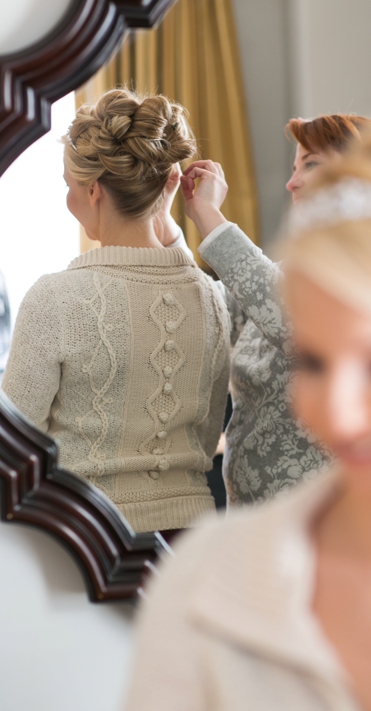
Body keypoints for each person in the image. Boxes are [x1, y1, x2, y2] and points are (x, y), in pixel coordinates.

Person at [116, 120, 371, 711]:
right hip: (251, 513)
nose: (340, 411)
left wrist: (211, 221)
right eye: (316, 362)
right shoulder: (203, 580)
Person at [0, 89, 229, 534]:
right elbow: (205, 437)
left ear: (93, 190)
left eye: (69, 187)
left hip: (86, 542)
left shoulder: (55, 299)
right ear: (167, 183)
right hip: (194, 541)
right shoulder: (212, 297)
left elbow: (13, 451)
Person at [155, 114, 371, 505]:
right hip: (252, 524)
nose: (292, 183)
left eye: (311, 164)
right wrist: (164, 220)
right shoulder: (292, 274)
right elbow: (207, 306)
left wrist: (209, 217)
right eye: (294, 167)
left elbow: (296, 326)